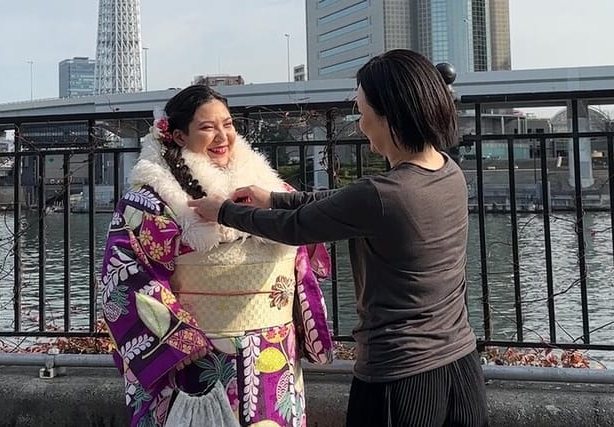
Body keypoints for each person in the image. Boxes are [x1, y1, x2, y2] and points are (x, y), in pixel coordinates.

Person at [189, 49, 489, 427]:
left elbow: (297, 227)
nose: (361, 123)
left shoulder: (383, 195)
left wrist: (223, 212)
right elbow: (342, 203)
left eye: (363, 112)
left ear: (389, 116)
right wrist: (274, 198)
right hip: (460, 365)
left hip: (401, 377)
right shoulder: (448, 172)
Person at [101, 85, 333, 427]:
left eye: (228, 124)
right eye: (207, 127)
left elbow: (301, 254)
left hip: (273, 349)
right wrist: (177, 340)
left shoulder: (271, 189)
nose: (222, 136)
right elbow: (126, 276)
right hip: (197, 354)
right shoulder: (150, 200)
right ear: (179, 135)